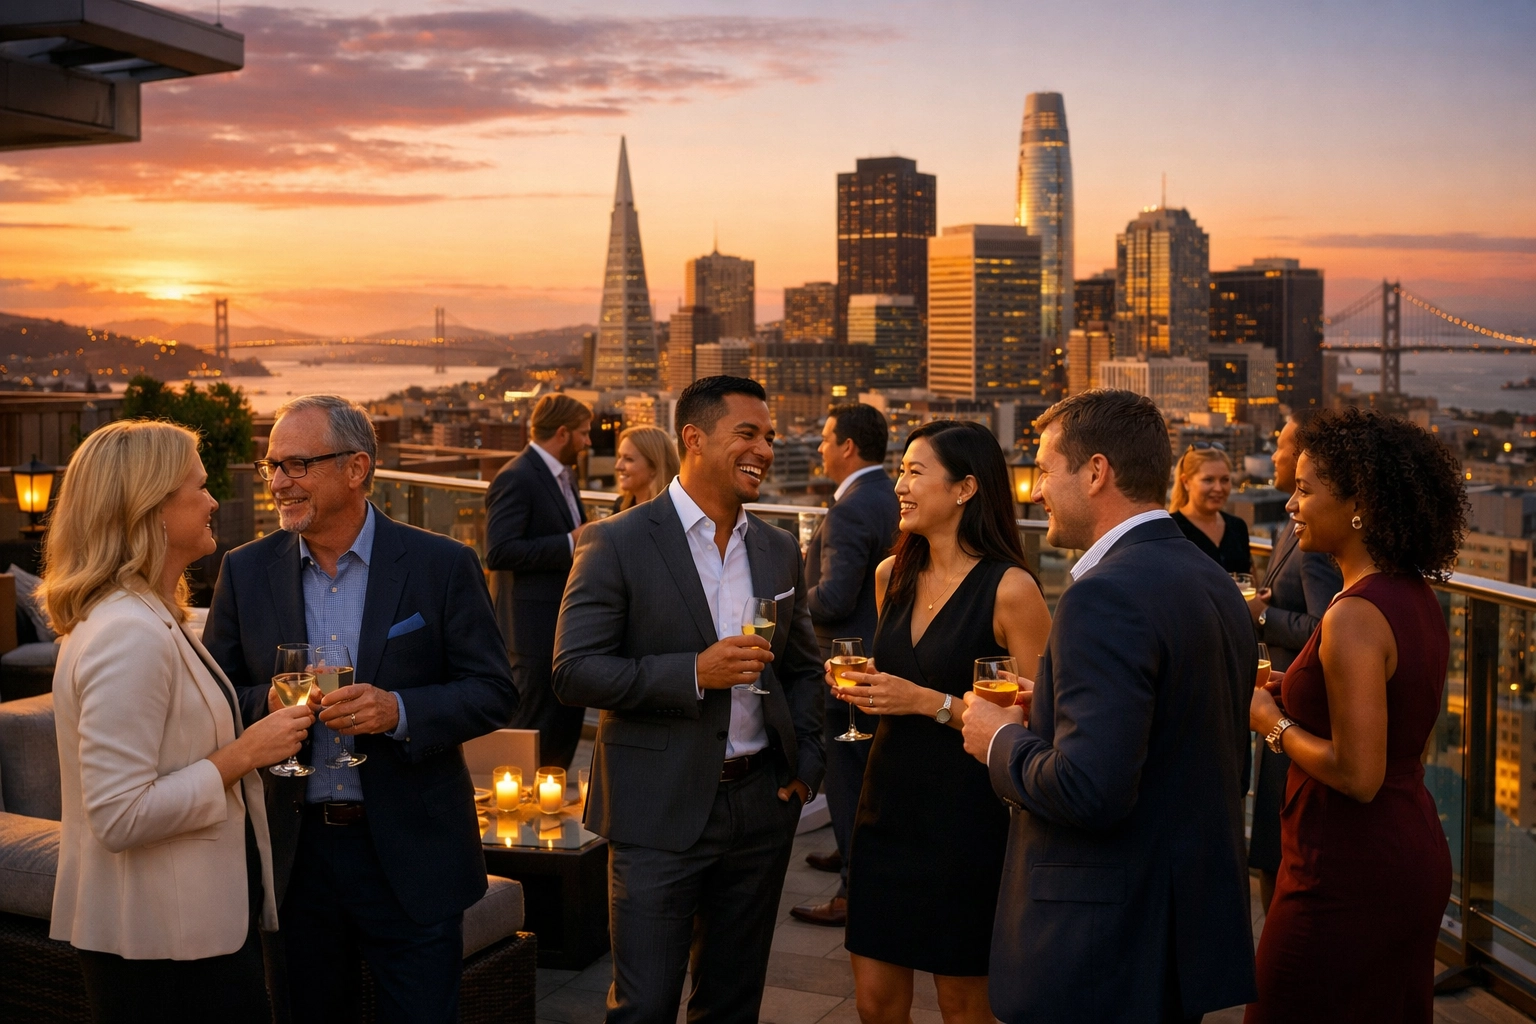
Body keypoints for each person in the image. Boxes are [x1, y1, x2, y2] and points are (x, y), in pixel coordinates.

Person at [205, 395, 518, 1024]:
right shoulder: (243, 570)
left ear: (356, 468)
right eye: (272, 467)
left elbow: (493, 691)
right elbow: (212, 700)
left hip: (412, 854)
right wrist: (264, 700)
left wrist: (398, 709)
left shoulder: (441, 564)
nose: (279, 483)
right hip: (295, 858)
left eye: (297, 465)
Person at [960, 389, 1257, 1022]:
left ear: (1096, 472)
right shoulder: (1212, 579)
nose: (1035, 492)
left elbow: (1090, 790)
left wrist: (997, 739)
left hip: (1103, 948)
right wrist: (1055, 706)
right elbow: (1199, 743)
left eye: (1044, 470)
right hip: (1177, 930)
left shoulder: (1104, 596)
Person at [552, 375, 825, 1023]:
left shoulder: (779, 548)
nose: (764, 448)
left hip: (761, 806)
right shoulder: (617, 541)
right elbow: (573, 670)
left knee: (731, 1003)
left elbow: (804, 667)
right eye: (748, 435)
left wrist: (804, 768)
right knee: (644, 1005)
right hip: (656, 809)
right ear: (695, 440)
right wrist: (693, 672)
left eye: (769, 436)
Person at [45, 420, 313, 1023]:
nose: (215, 500)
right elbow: (118, 813)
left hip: (184, 932)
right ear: (153, 509)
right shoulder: (129, 634)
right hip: (163, 947)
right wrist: (244, 753)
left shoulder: (150, 617)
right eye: (200, 485)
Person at [1246, 408, 1464, 1023]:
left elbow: (1358, 773)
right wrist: (1296, 683)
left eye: (1305, 490)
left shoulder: (1353, 615)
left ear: (1359, 503)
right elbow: (1393, 717)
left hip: (1347, 868)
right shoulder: (1412, 593)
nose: (1290, 504)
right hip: (1404, 848)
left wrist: (1272, 722)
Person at [832, 420, 1051, 1023]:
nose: (899, 484)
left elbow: (1043, 722)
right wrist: (869, 686)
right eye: (899, 470)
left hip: (968, 821)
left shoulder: (1012, 590)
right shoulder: (889, 575)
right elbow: (899, 677)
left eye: (914, 471)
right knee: (876, 1004)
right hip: (885, 808)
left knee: (963, 1006)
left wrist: (927, 701)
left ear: (964, 489)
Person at [792, 403, 900, 928]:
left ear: (848, 447)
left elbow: (833, 600)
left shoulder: (852, 507)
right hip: (885, 659)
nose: (818, 447)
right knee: (865, 774)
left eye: (826, 437)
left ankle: (852, 889)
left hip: (846, 668)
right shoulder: (890, 495)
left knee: (848, 775)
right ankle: (847, 848)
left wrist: (784, 604)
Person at [1245, 411, 1342, 912]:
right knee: (1268, 850)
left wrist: (1263, 618)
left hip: (1298, 716)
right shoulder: (1292, 524)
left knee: (1280, 853)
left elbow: (1325, 626)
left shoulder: (1316, 541)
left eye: (1280, 445)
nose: (1275, 453)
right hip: (1283, 696)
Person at [484, 393, 593, 769]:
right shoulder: (516, 477)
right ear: (562, 433)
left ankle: (551, 817)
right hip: (531, 639)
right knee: (532, 739)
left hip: (563, 632)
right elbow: (499, 552)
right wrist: (570, 542)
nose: (588, 441)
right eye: (583, 433)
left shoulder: (563, 474)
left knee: (562, 734)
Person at [1170, 444, 1252, 574]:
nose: (1218, 488)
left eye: (1225, 480)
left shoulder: (1237, 527)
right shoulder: (1171, 529)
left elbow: (1248, 578)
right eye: (1208, 480)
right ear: (1186, 482)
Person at [612, 424, 680, 515]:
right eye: (619, 457)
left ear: (654, 467)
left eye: (628, 459)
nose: (618, 466)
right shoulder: (621, 506)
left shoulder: (675, 514)